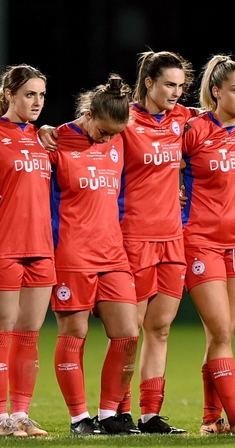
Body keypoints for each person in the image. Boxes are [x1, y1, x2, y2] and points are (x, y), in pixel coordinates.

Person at [29, 50, 235, 435]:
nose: (176, 93)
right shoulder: (124, 120)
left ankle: (149, 414)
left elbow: (220, 112)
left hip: (173, 238)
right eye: (168, 85)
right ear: (148, 83)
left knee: (160, 329)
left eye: (181, 86)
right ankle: (117, 412)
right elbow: (90, 125)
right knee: (129, 329)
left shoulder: (184, 119)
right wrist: (48, 131)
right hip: (130, 238)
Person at [48, 74, 141, 436]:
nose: (107, 139)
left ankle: (108, 415)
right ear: (87, 114)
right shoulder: (56, 139)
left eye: (114, 134)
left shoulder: (119, 139)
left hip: (112, 253)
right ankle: (78, 419)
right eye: (103, 131)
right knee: (75, 333)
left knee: (128, 334)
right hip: (71, 252)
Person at [180, 54, 235, 436]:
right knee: (222, 333)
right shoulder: (193, 128)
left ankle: (210, 418)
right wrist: (174, 192)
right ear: (216, 92)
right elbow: (158, 162)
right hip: (201, 240)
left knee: (221, 334)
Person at [0, 64, 55, 437]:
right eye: (29, 94)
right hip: (2, 245)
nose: (37, 101)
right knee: (0, 332)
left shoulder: (44, 138)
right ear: (9, 94)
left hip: (41, 247)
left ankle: (21, 413)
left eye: (41, 94)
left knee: (29, 334)